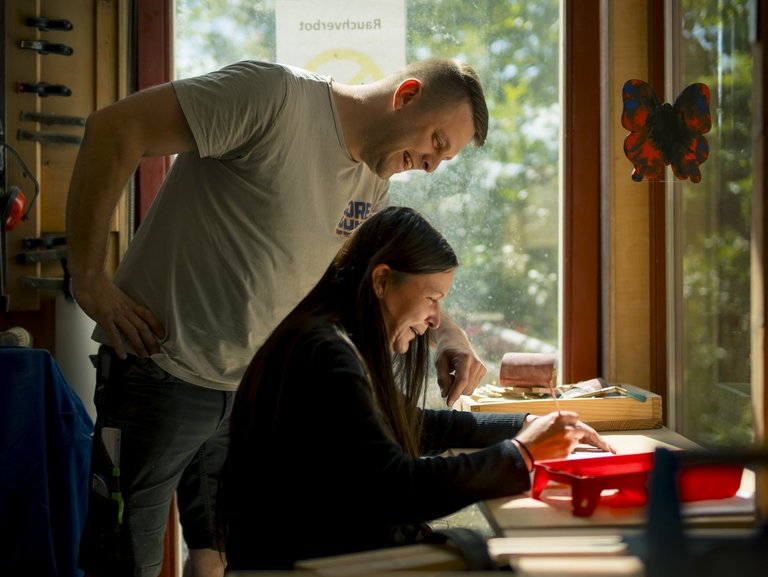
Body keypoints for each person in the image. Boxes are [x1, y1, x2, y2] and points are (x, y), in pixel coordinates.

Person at [66, 58, 490, 577]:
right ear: (405, 95)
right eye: (437, 144)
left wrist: (447, 332)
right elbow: (115, 127)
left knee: (224, 553)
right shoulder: (272, 97)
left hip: (252, 392)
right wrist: (88, 278)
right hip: (160, 370)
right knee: (124, 556)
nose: (430, 166)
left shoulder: (371, 185)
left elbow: (390, 280)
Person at [220, 206, 614, 570]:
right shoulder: (325, 354)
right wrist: (522, 453)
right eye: (432, 298)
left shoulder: (324, 338)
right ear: (381, 280)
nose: (434, 320)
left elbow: (420, 424)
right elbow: (396, 487)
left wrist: (526, 423)